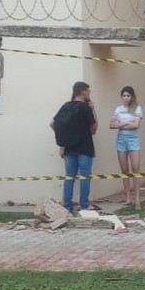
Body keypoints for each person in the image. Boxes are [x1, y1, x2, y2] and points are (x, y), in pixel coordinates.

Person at [51, 81, 98, 213]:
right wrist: (93, 108)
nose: (89, 93)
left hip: (69, 148)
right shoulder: (85, 108)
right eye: (88, 91)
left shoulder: (66, 106)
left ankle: (67, 205)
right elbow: (94, 129)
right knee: (85, 176)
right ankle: (84, 204)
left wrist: (62, 143)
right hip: (84, 147)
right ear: (83, 91)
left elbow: (53, 123)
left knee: (69, 176)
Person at [109, 85, 144, 207]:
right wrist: (126, 122)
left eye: (128, 95)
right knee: (124, 169)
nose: (125, 98)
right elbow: (111, 125)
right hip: (121, 139)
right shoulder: (118, 109)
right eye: (123, 95)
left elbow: (136, 125)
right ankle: (128, 197)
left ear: (132, 96)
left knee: (135, 169)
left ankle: (138, 199)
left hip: (133, 139)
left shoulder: (137, 108)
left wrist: (120, 124)